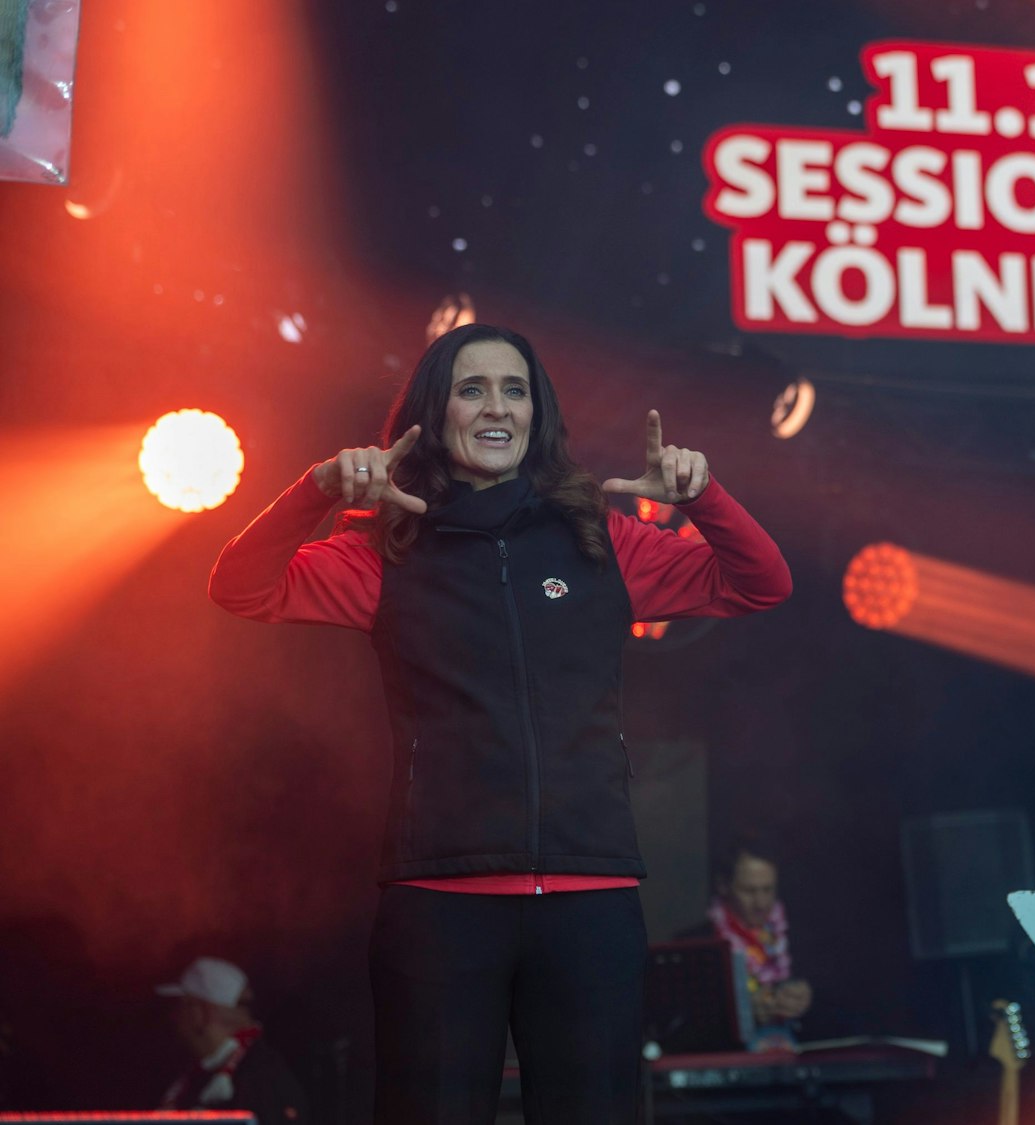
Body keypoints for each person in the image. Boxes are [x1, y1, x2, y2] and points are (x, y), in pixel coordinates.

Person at [209, 323, 792, 1122]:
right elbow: (239, 587)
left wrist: (703, 499)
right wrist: (315, 491)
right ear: (433, 413)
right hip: (440, 901)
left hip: (591, 895)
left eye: (514, 389)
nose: (496, 407)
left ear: (536, 415)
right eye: (471, 388)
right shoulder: (384, 551)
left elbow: (762, 583)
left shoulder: (600, 541)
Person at [156, 956, 309, 1123]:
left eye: (179, 1005)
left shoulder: (259, 1079)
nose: (173, 1017)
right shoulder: (208, 1074)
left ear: (200, 1014)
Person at [702, 838, 812, 1051]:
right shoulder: (702, 943)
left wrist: (805, 996)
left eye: (767, 890)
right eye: (749, 891)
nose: (761, 903)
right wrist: (744, 1010)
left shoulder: (799, 933)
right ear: (723, 885)